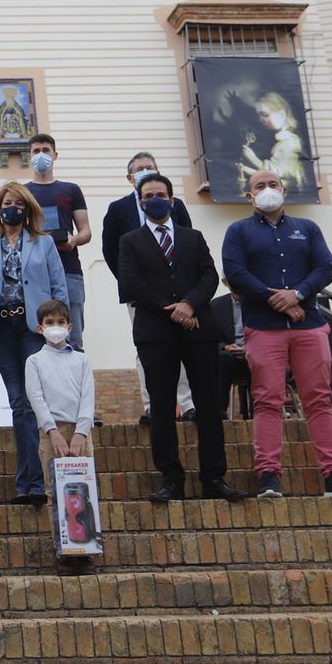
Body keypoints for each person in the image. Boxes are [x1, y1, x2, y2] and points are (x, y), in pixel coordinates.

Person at [222, 170, 332, 500]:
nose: (267, 190)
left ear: (284, 190)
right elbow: (235, 272)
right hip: (264, 327)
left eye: (273, 185)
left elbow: (325, 268)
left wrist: (297, 295)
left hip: (309, 325)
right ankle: (268, 475)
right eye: (260, 186)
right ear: (249, 195)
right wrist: (278, 300)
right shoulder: (238, 231)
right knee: (268, 400)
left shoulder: (308, 228)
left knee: (319, 398)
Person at [118, 175, 247, 503]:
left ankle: (213, 477)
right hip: (155, 334)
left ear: (172, 200)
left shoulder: (194, 237)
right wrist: (169, 309)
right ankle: (171, 479)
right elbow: (131, 284)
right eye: (148, 196)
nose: (155, 199)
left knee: (207, 405)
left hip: (198, 331)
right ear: (141, 202)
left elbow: (209, 276)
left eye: (160, 194)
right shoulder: (130, 241)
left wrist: (189, 304)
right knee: (162, 408)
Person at [0, 183, 66, 505]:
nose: (11, 207)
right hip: (1, 332)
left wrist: (61, 331)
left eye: (18, 203)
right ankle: (27, 481)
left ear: (28, 209)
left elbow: (58, 288)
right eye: (6, 202)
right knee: (18, 404)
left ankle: (33, 483)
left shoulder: (45, 243)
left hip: (34, 330)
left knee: (30, 402)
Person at [101, 153, 196, 424]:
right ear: (130, 178)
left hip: (178, 293)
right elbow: (110, 250)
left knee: (182, 346)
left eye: (149, 168)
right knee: (147, 349)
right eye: (139, 169)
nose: (145, 172)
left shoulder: (174, 206)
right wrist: (130, 283)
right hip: (140, 295)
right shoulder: (118, 209)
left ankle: (187, 404)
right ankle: (154, 404)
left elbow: (188, 241)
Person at [24, 299, 96, 503]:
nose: (55, 326)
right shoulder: (34, 361)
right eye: (49, 322)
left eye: (60, 321)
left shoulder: (81, 360)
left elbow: (87, 397)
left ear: (69, 327)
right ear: (40, 328)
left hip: (80, 433)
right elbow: (36, 398)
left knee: (84, 488)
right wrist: (52, 431)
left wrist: (81, 432)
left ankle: (86, 535)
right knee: (54, 491)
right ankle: (59, 536)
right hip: (50, 434)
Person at [23, 135, 91, 350]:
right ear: (29, 156)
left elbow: (86, 231)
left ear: (55, 155)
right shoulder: (23, 192)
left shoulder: (71, 189)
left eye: (45, 150)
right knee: (37, 334)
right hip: (35, 272)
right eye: (36, 151)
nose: (41, 155)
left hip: (69, 268)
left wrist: (74, 239)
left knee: (72, 335)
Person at [211, 281, 253, 419]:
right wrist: (226, 347)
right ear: (225, 282)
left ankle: (258, 412)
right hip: (230, 358)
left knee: (260, 357)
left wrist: (250, 348)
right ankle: (218, 412)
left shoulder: (260, 304)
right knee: (222, 357)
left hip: (256, 354)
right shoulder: (215, 306)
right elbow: (210, 338)